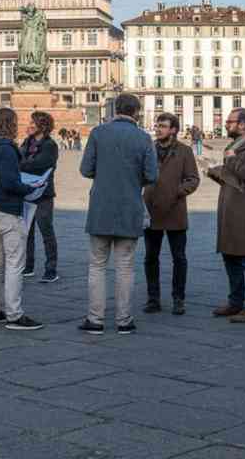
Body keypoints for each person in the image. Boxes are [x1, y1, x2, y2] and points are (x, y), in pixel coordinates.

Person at [78, 93, 158, 335]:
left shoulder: (98, 133)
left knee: (97, 266)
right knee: (125, 267)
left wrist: (105, 175)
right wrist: (132, 179)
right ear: (136, 112)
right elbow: (152, 175)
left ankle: (95, 319)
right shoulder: (144, 139)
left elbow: (85, 169)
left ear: (115, 109)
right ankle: (124, 320)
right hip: (129, 207)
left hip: (101, 208)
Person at [0, 108, 44, 330]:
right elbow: (9, 182)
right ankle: (14, 315)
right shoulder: (7, 150)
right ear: (10, 124)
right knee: (15, 263)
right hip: (7, 210)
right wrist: (29, 188)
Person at [206, 108, 245, 323]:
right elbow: (232, 178)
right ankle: (235, 302)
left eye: (230, 121)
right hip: (230, 208)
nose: (226, 124)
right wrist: (214, 170)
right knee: (230, 256)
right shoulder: (236, 145)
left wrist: (230, 160)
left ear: (242, 125)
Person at [143, 113, 199, 316]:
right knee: (150, 257)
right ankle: (153, 298)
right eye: (157, 126)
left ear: (174, 129)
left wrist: (177, 192)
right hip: (151, 210)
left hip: (175, 210)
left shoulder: (184, 151)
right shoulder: (148, 148)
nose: (158, 129)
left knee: (179, 258)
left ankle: (178, 298)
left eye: (163, 126)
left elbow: (193, 179)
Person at [20, 111, 59, 283]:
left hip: (43, 194)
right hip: (27, 192)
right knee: (26, 231)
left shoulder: (50, 145)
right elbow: (21, 159)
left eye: (32, 123)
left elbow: (40, 164)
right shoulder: (27, 142)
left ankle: (51, 269)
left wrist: (21, 164)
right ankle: (28, 266)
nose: (29, 125)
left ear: (42, 126)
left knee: (46, 230)